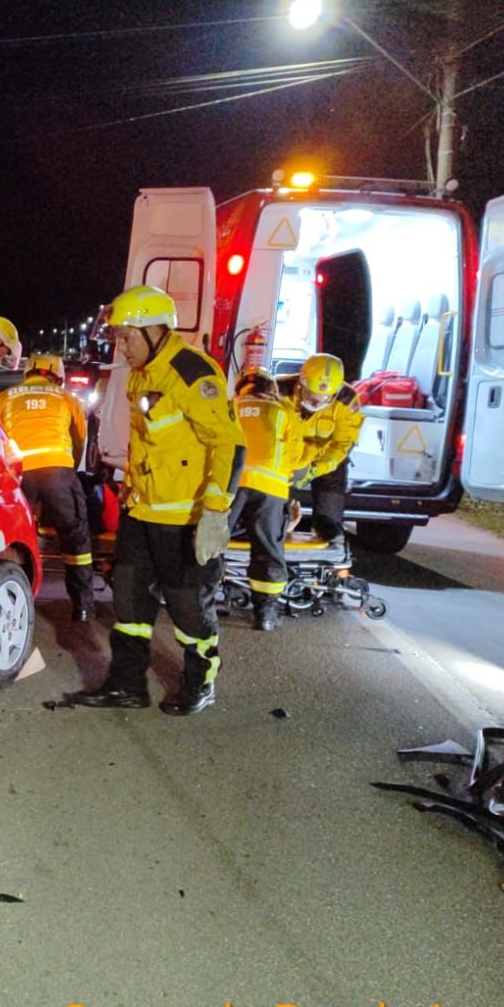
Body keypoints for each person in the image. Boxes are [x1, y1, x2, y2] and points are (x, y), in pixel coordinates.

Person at [69, 285, 243, 715]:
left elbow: (229, 444)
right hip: (141, 512)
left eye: (127, 337)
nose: (122, 347)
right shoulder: (142, 373)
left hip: (184, 519)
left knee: (188, 610)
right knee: (129, 605)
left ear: (154, 330)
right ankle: (127, 685)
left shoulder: (191, 373)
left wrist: (216, 511)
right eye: (118, 337)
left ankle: (201, 681)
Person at [0, 353, 95, 621]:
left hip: (18, 474)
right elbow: (79, 440)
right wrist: (68, 472)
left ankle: (10, 599)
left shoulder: (5, 398)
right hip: (58, 470)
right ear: (57, 375)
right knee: (75, 536)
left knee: (12, 536)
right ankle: (82, 606)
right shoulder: (65, 398)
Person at [227, 370, 307, 631]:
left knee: (212, 540)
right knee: (268, 549)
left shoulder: (229, 408)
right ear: (271, 390)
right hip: (270, 488)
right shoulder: (284, 412)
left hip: (230, 483)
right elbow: (296, 459)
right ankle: (266, 615)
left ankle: (196, 601)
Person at [290, 353, 364, 542]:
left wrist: (316, 469)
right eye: (311, 395)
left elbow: (342, 444)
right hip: (287, 458)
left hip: (324, 460)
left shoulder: (347, 401)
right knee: (272, 507)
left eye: (325, 398)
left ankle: (327, 531)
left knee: (330, 517)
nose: (317, 403)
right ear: (301, 382)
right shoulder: (281, 392)